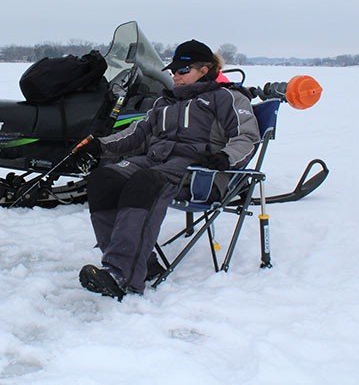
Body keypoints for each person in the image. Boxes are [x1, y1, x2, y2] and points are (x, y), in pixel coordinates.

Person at [74, 39, 260, 300]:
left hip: (199, 171)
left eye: (183, 71)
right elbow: (136, 134)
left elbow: (247, 136)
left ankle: (122, 274)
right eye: (173, 71)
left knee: (144, 183)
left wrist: (225, 158)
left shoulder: (227, 97)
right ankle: (139, 261)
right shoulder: (165, 102)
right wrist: (99, 146)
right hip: (156, 161)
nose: (176, 77)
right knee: (103, 180)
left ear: (204, 69)